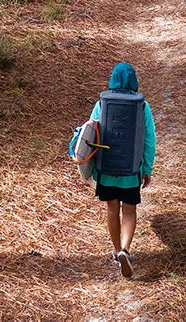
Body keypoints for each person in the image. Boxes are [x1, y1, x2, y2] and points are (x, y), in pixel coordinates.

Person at [69, 62, 156, 279]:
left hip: (106, 169)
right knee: (129, 211)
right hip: (131, 170)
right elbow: (149, 139)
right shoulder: (142, 106)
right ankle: (126, 248)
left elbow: (91, 132)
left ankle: (117, 252)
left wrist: (88, 168)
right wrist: (147, 168)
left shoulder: (102, 103)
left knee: (112, 209)